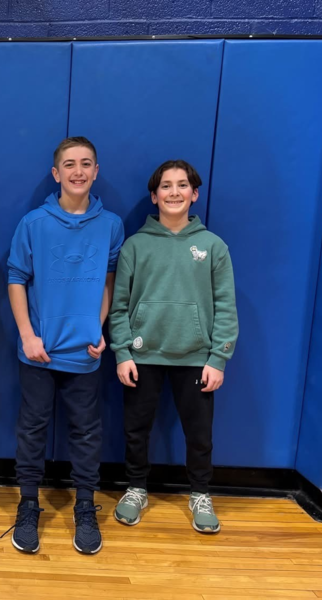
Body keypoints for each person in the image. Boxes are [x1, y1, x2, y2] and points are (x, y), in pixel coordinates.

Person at [5, 137, 123, 555]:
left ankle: (86, 508)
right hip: (38, 352)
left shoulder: (111, 224)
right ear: (56, 173)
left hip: (84, 353)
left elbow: (109, 281)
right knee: (32, 430)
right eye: (69, 164)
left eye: (86, 164)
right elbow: (16, 279)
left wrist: (100, 327)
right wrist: (27, 334)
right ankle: (28, 504)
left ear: (95, 170)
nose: (77, 171)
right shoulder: (34, 223)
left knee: (87, 432)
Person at [109, 159, 238, 534]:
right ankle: (135, 488)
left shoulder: (213, 247)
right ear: (154, 196)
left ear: (195, 194)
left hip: (197, 359)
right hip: (142, 355)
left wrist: (218, 358)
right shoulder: (135, 245)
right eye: (166, 186)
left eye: (183, 185)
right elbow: (119, 307)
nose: (174, 192)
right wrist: (123, 352)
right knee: (136, 429)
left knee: (199, 434)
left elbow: (226, 306)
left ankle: (200, 493)